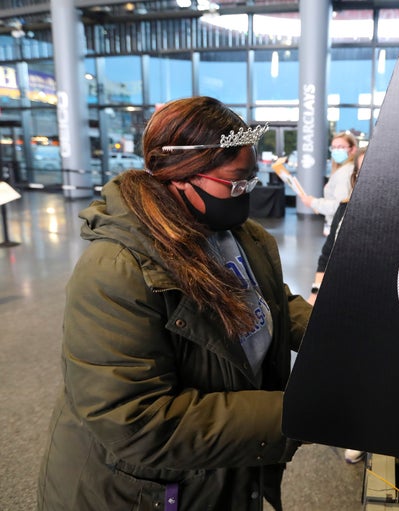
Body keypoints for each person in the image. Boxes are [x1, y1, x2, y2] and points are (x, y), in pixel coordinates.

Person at [37, 96, 312, 511]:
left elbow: (271, 302)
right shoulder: (116, 269)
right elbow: (137, 420)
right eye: (236, 182)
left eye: (251, 180)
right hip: (142, 493)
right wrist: (302, 412)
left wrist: (340, 336)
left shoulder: (242, 237)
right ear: (179, 176)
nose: (245, 194)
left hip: (220, 469)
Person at [307, 147, 366, 465]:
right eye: (358, 173)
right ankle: (355, 430)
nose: (362, 179)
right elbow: (327, 251)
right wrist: (316, 292)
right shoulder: (346, 208)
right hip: (347, 295)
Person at [300, 131, 358, 235]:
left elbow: (339, 206)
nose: (336, 151)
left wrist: (313, 202)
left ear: (353, 149)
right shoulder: (345, 169)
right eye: (334, 147)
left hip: (339, 228)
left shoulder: (345, 172)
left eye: (340, 147)